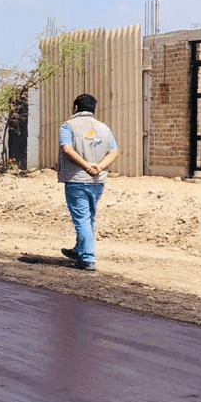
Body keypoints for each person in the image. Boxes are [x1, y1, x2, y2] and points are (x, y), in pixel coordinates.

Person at [58, 93, 120, 271]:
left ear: (75, 107)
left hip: (77, 180)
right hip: (97, 181)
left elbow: (67, 149)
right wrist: (99, 168)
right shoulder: (104, 128)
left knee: (82, 219)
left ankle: (87, 258)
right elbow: (114, 152)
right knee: (88, 217)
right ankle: (79, 249)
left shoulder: (68, 126)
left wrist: (85, 166)